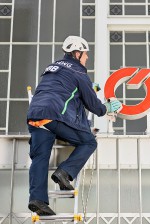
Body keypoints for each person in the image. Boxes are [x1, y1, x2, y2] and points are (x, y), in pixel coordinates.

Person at [27, 36, 122, 215]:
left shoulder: (52, 67)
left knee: (39, 157)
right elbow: (94, 106)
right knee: (89, 142)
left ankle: (37, 200)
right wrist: (107, 107)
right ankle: (64, 172)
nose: (86, 58)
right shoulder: (79, 72)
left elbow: (61, 92)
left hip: (35, 116)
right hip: (55, 116)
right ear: (77, 54)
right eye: (85, 54)